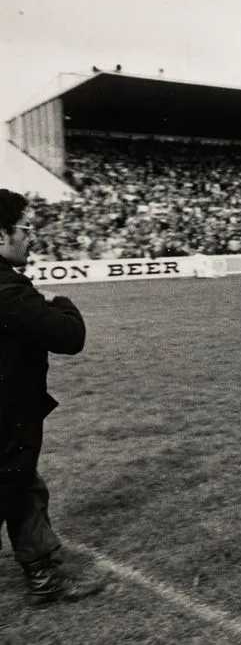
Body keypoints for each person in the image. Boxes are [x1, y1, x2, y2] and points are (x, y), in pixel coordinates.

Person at [0, 188, 105, 605]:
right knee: (14, 486)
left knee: (24, 486)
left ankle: (43, 577)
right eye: (24, 229)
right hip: (9, 412)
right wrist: (59, 300)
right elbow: (68, 336)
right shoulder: (8, 289)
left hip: (13, 412)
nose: (31, 237)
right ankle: (42, 576)